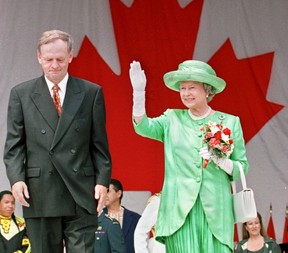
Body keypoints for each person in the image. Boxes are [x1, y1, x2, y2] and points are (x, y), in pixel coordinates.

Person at [3, 29, 112, 253]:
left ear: (71, 56)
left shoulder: (91, 92)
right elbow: (14, 146)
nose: (55, 65)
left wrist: (102, 182)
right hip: (40, 192)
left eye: (60, 59)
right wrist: (16, 179)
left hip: (81, 192)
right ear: (39, 57)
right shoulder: (21, 94)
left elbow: (99, 145)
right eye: (49, 59)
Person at [129, 60, 249, 253]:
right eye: (182, 88)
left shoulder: (229, 121)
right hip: (179, 211)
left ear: (207, 90)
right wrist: (138, 94)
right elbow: (144, 127)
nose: (186, 93)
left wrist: (222, 161)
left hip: (216, 212)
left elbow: (242, 167)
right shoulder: (172, 118)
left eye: (192, 87)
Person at [104, 179, 141, 253]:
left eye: (108, 191)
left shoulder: (135, 218)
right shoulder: (96, 218)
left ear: (118, 194)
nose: (104, 195)